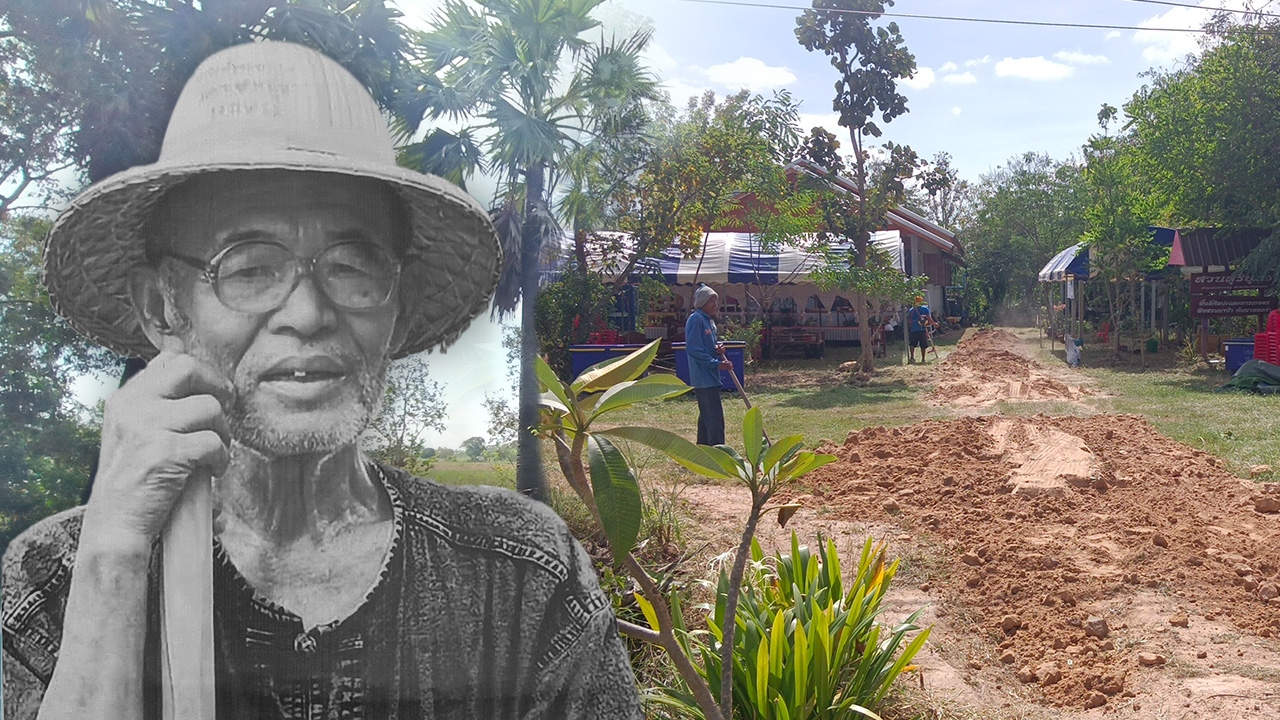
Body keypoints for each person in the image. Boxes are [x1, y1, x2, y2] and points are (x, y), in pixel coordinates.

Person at [1, 42, 640, 720]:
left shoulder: (520, 580)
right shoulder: (53, 581)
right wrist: (114, 564)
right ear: (164, 308)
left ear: (396, 308)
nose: (307, 314)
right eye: (248, 268)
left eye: (352, 267)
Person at [684, 284, 732, 446]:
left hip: (711, 377)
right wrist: (716, 364)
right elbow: (693, 349)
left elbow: (707, 345)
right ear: (703, 302)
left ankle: (702, 450)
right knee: (715, 419)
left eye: (716, 301)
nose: (715, 305)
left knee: (706, 416)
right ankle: (719, 454)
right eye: (712, 301)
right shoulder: (695, 319)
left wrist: (717, 349)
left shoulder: (709, 321)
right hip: (703, 377)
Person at [907, 295, 938, 364]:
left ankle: (912, 357)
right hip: (922, 329)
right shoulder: (925, 309)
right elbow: (929, 319)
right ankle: (923, 359)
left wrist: (912, 325)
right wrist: (934, 324)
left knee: (912, 344)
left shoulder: (911, 310)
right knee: (923, 345)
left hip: (913, 329)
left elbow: (910, 321)